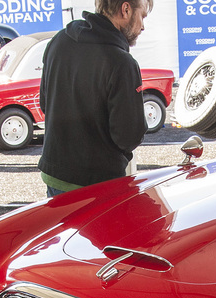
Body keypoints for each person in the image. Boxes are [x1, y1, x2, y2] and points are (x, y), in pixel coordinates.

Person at [38, 0, 151, 197]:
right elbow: (128, 136)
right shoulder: (121, 62)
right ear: (125, 9)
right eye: (142, 16)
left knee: (63, 230)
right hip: (97, 185)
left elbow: (45, 103)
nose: (143, 26)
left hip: (55, 174)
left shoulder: (59, 41)